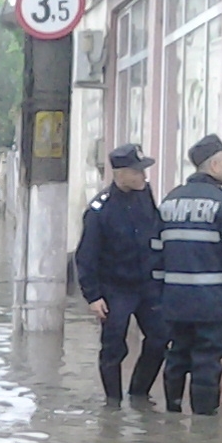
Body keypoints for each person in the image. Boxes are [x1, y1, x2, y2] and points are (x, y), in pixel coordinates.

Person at [153, 133, 222, 416]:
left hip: (175, 301)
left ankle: (173, 412)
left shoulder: (169, 200)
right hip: (212, 302)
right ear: (213, 166)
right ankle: (204, 424)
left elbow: (155, 253)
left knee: (176, 355)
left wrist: (158, 297)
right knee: (207, 360)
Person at [75, 142, 168, 408]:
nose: (144, 176)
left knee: (160, 338)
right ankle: (112, 405)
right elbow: (86, 257)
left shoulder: (145, 196)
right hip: (115, 289)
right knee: (113, 347)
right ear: (120, 174)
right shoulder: (99, 210)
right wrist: (93, 296)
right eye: (138, 171)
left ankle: (138, 394)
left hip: (147, 286)